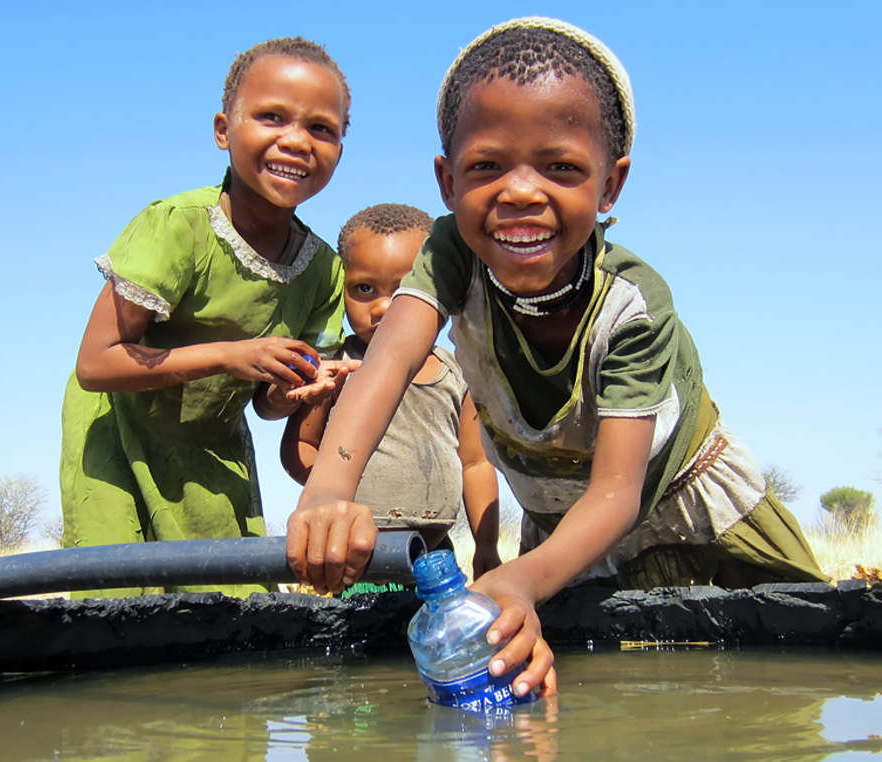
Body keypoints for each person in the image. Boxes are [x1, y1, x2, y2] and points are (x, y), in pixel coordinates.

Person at [285, 17, 828, 699]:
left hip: (690, 513)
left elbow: (615, 494)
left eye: (561, 167)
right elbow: (386, 365)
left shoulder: (633, 307)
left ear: (611, 186)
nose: (520, 191)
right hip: (564, 533)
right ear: (447, 182)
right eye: (487, 166)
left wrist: (517, 577)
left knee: (785, 694)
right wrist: (328, 494)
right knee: (606, 702)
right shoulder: (452, 255)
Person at [61, 36, 357, 599]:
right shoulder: (178, 228)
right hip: (118, 438)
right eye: (272, 117)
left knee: (229, 599)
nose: (296, 141)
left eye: (322, 129)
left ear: (341, 147)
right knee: (119, 601)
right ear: (224, 130)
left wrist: (301, 391)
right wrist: (231, 354)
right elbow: (95, 365)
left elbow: (268, 405)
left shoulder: (324, 271)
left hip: (212, 443)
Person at [281, 203, 501, 586]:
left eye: (404, 291)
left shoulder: (458, 373)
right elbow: (301, 444)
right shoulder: (334, 368)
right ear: (342, 288)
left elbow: (475, 464)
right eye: (365, 289)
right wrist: (336, 496)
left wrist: (487, 549)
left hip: (435, 558)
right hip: (355, 559)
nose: (384, 308)